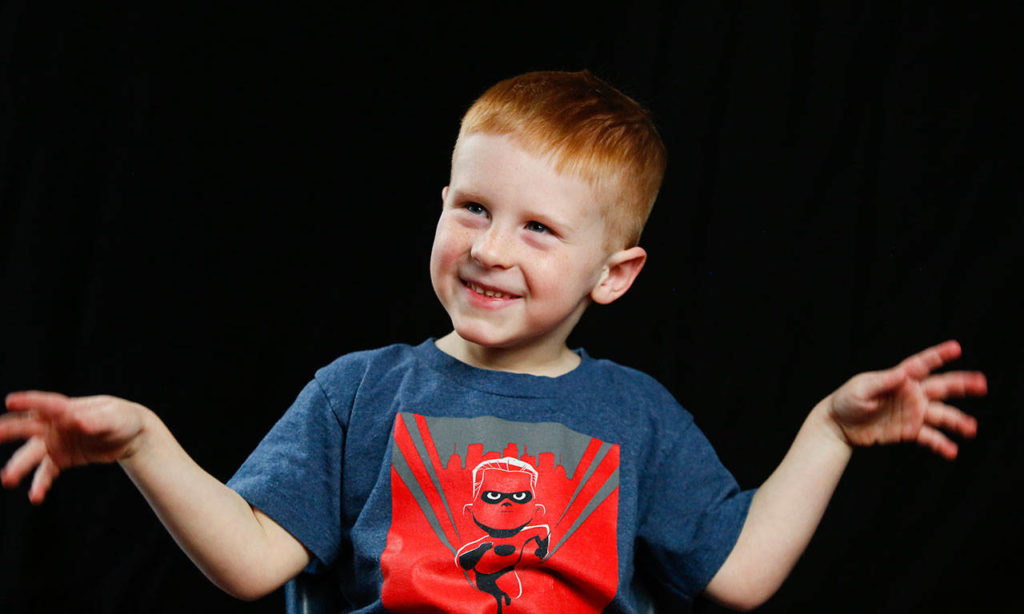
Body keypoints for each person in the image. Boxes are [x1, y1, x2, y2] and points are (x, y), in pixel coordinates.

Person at [0, 70, 987, 612]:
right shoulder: (358, 392)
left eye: (539, 228)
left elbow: (739, 573)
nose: (490, 249)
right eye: (472, 207)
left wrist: (828, 430)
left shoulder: (631, 414)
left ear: (614, 273)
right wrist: (142, 441)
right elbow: (255, 559)